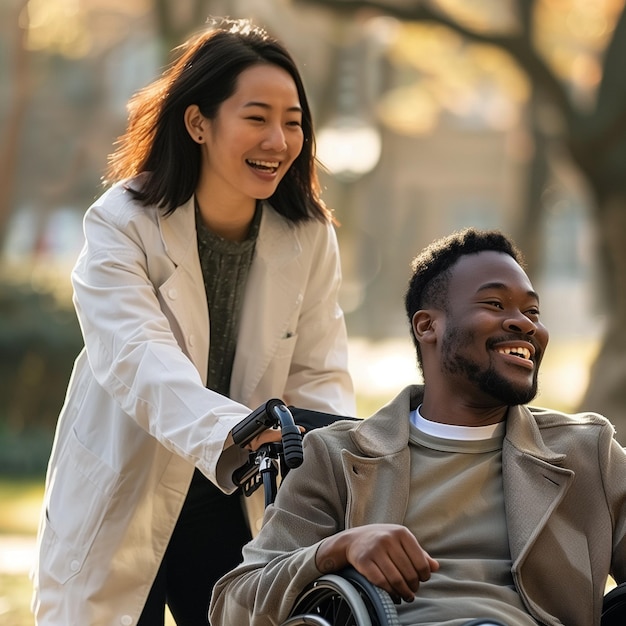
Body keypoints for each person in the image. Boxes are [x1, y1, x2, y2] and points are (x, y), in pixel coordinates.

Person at [31, 16, 355, 626]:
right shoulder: (121, 223)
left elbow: (318, 375)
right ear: (199, 122)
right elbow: (138, 359)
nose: (279, 141)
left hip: (237, 502)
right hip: (124, 487)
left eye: (293, 122)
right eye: (257, 117)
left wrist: (328, 464)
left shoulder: (308, 237)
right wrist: (244, 432)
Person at [210, 227, 626, 626]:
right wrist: (337, 548)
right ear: (427, 326)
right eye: (496, 305)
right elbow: (233, 606)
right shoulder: (335, 456)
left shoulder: (587, 452)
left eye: (532, 311)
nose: (525, 324)